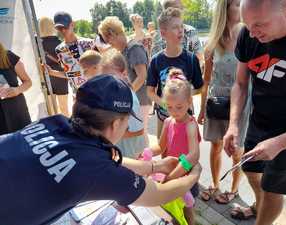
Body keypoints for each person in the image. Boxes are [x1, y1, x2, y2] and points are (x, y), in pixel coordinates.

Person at [0, 75, 201, 225]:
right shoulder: (96, 170)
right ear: (115, 124)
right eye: (126, 122)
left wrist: (155, 165)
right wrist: (194, 175)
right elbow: (158, 194)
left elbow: (107, 159)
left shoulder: (54, 122)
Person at [223, 0, 286, 224]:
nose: (253, 34)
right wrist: (234, 124)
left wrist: (280, 143)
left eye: (260, 25)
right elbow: (239, 83)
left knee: (272, 188)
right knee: (250, 168)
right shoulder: (249, 33)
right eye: (248, 25)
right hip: (260, 120)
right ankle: (260, 205)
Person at [198, 0, 250, 205]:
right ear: (225, 9)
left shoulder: (249, 37)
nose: (241, 6)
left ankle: (234, 189)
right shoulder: (211, 43)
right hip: (216, 102)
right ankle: (214, 183)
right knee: (216, 146)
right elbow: (206, 80)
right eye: (236, 4)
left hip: (241, 103)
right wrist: (201, 109)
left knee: (238, 149)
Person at [148, 68, 201, 225]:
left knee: (188, 208)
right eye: (169, 107)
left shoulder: (190, 125)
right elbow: (160, 146)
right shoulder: (168, 121)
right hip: (170, 173)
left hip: (185, 175)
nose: (174, 112)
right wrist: (146, 153)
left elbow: (193, 156)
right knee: (171, 207)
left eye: (179, 107)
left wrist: (172, 177)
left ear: (189, 102)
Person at [147, 7, 203, 139]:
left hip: (186, 118)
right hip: (163, 117)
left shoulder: (191, 59)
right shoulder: (156, 61)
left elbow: (200, 87)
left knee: (187, 156)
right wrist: (166, 104)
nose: (180, 31)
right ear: (163, 33)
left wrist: (183, 99)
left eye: (181, 27)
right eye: (175, 27)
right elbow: (150, 91)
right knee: (165, 155)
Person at [79, 49, 146, 158]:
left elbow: (139, 131)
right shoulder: (113, 94)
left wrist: (106, 133)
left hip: (130, 151)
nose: (107, 81)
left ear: (124, 73)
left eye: (111, 77)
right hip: (120, 150)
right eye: (103, 77)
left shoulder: (129, 99)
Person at [98, 16, 152, 146]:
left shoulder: (134, 48)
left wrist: (126, 94)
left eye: (109, 42)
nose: (110, 46)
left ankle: (147, 162)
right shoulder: (124, 50)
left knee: (140, 134)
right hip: (134, 99)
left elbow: (142, 76)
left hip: (141, 99)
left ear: (112, 34)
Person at [46, 11, 94, 94]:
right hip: (78, 95)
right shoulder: (59, 50)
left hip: (96, 92)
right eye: (60, 28)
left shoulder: (89, 44)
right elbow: (69, 74)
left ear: (73, 24)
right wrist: (51, 72)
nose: (63, 30)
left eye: (65, 26)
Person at [39, 16, 69, 117]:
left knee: (51, 110)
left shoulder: (38, 44)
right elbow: (67, 63)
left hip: (46, 75)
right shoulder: (61, 43)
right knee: (64, 108)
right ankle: (68, 130)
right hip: (61, 76)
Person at [0, 42, 32, 135]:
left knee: (24, 143)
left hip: (17, 112)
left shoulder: (8, 57)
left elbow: (28, 82)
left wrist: (17, 90)